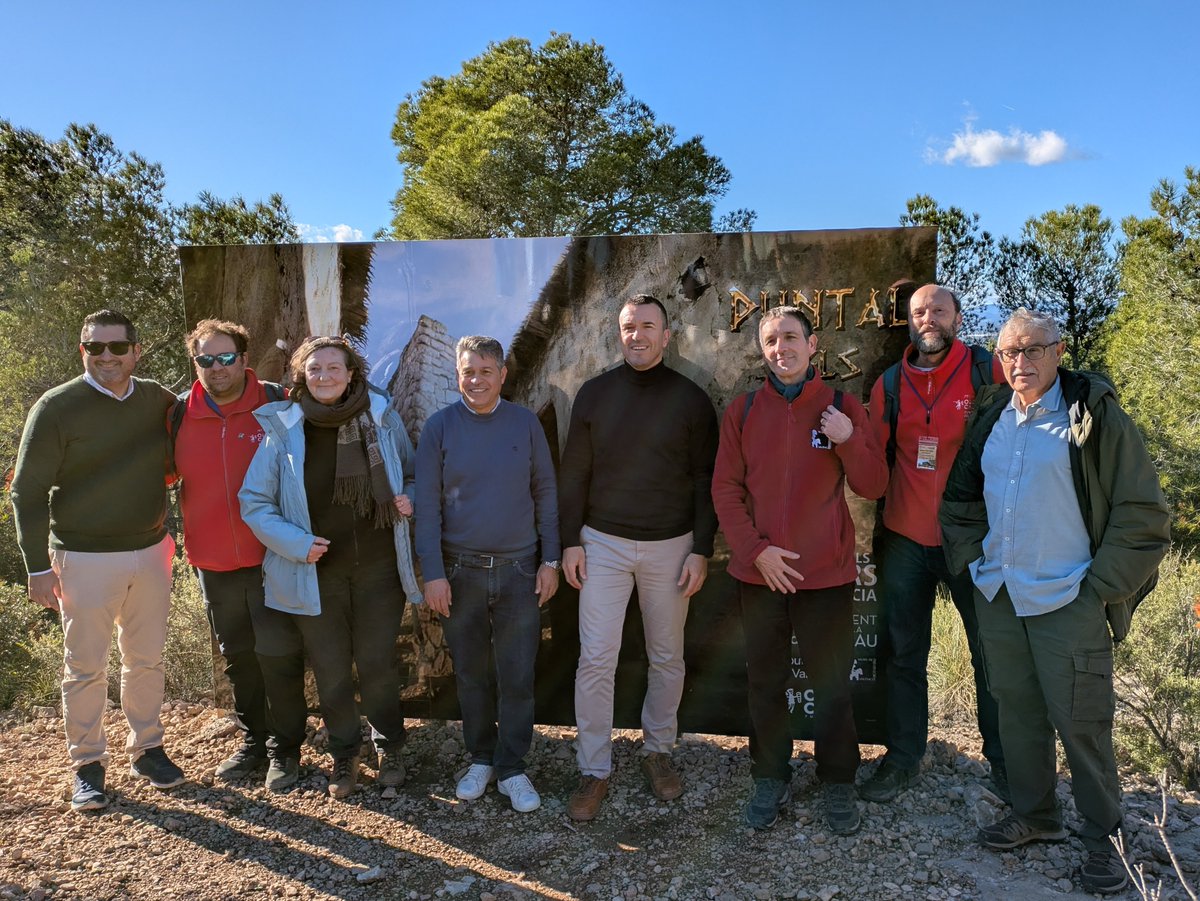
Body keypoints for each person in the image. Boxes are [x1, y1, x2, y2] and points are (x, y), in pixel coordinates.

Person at [940, 308, 1170, 895]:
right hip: (1000, 594)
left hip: (1068, 597)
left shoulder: (1092, 415)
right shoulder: (993, 414)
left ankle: (1106, 843)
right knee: (1017, 714)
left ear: (1059, 351)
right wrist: (970, 563)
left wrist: (1098, 591)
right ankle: (1037, 816)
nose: (1020, 362)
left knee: (1083, 724)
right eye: (1010, 352)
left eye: (1033, 349)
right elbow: (961, 500)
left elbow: (1143, 516)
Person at [712, 306, 887, 834]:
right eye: (771, 340)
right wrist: (756, 550)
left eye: (791, 337)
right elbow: (725, 488)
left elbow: (874, 484)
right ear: (762, 349)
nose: (781, 347)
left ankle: (838, 781)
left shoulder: (840, 405)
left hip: (825, 577)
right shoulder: (742, 412)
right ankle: (770, 774)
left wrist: (848, 438)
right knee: (764, 681)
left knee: (832, 684)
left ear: (813, 346)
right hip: (760, 574)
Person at [10, 309, 184, 811]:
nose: (106, 356)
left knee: (145, 659)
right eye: (95, 348)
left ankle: (148, 749)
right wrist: (37, 568)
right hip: (82, 558)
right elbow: (26, 491)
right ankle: (87, 765)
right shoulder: (57, 406)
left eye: (116, 347)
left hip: (152, 551)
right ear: (82, 350)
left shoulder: (157, 399)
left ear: (136, 350)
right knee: (85, 667)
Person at [239, 336, 423, 799]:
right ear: (302, 376)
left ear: (352, 374)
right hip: (315, 572)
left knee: (378, 662)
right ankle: (345, 753)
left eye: (333, 368)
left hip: (380, 569)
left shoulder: (382, 419)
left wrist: (411, 498)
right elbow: (254, 502)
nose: (324, 377)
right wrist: (297, 545)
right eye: (315, 369)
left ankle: (391, 745)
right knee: (331, 667)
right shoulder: (283, 429)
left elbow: (416, 475)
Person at [559, 295, 719, 821]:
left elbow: (705, 482)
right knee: (596, 659)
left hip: (671, 547)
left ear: (667, 336)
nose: (637, 335)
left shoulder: (692, 400)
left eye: (647, 327)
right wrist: (570, 541)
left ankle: (658, 751)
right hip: (601, 543)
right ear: (618, 333)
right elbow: (574, 475)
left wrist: (700, 548)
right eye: (628, 327)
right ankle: (593, 767)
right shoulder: (594, 395)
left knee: (667, 657)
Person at [861, 284, 1006, 803]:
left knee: (989, 656)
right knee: (903, 655)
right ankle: (902, 760)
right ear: (908, 321)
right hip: (905, 539)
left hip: (974, 541)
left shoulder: (988, 371)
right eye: (918, 311)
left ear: (958, 318)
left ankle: (1006, 769)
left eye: (938, 310)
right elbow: (872, 463)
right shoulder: (891, 384)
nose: (928, 319)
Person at [415, 335, 561, 813]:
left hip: (520, 571)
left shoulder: (524, 423)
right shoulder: (439, 427)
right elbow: (428, 506)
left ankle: (513, 768)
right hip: (460, 573)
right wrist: (433, 574)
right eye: (467, 371)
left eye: (484, 371)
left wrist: (551, 560)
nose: (475, 380)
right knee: (472, 674)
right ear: (458, 375)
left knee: (517, 675)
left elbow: (545, 493)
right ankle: (480, 758)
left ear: (502, 375)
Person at [172, 318, 307, 791]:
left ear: (244, 360)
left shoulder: (276, 404)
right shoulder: (177, 415)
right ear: (196, 363)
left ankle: (285, 751)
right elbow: (153, 477)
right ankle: (254, 742)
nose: (216, 367)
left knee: (279, 653)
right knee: (239, 657)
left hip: (273, 557)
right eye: (205, 359)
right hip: (212, 562)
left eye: (226, 357)